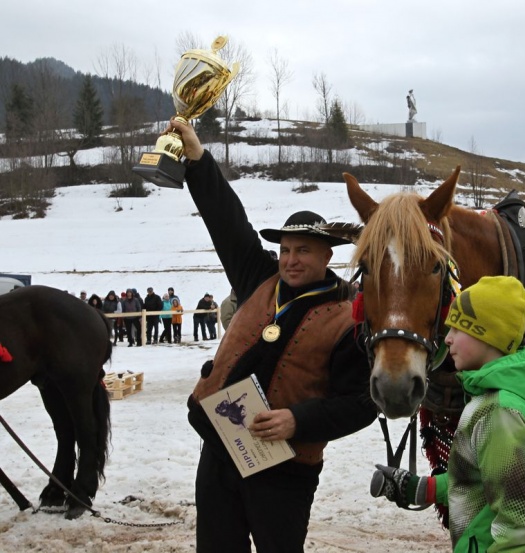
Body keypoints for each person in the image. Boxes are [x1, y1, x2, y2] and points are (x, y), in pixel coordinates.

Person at [170, 118, 377, 553]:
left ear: (326, 255)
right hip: (221, 450)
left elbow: (360, 404)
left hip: (284, 468)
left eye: (302, 250)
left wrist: (297, 420)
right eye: (285, 249)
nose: (290, 260)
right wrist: (197, 159)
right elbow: (226, 221)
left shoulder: (349, 317)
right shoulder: (257, 277)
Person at [371, 276, 525, 552]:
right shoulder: (491, 399)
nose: (447, 338)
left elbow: (521, 534)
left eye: (458, 328)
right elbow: (483, 478)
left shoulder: (501, 415)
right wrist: (423, 488)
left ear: (487, 334)